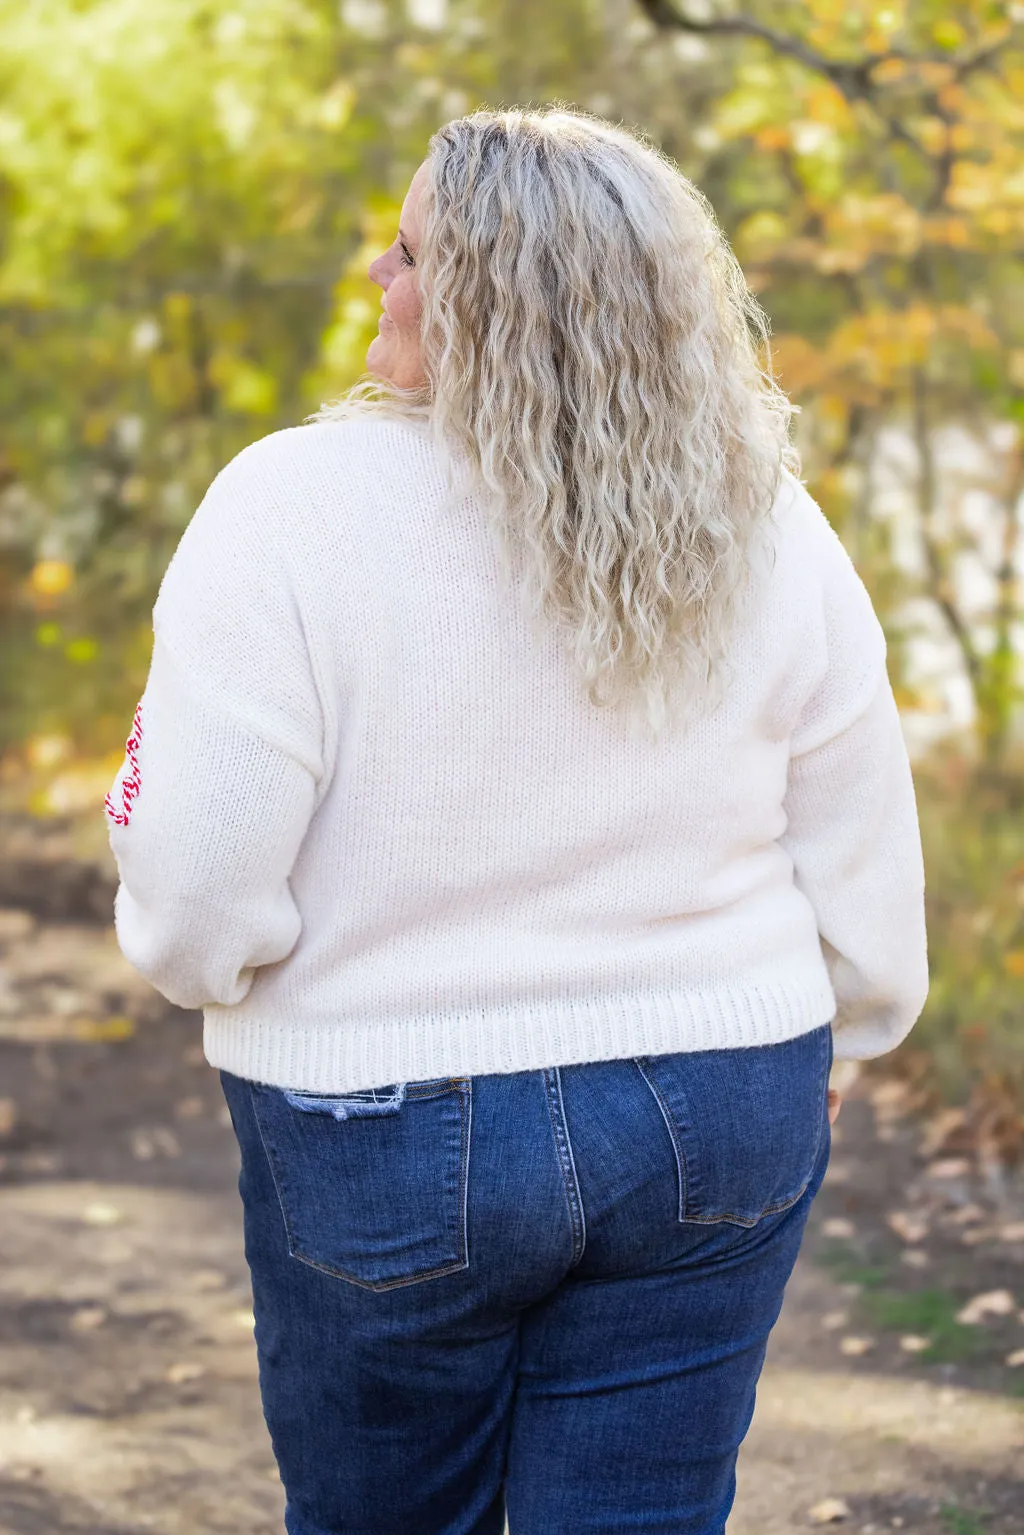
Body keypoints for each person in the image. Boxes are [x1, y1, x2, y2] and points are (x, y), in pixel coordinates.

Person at [104, 105, 929, 1535]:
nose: (380, 271)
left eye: (417, 250)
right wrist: (848, 1033)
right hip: (723, 1104)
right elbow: (862, 836)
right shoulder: (765, 517)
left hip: (380, 1120)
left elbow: (192, 898)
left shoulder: (284, 509)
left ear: (504, 296)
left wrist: (232, 981)